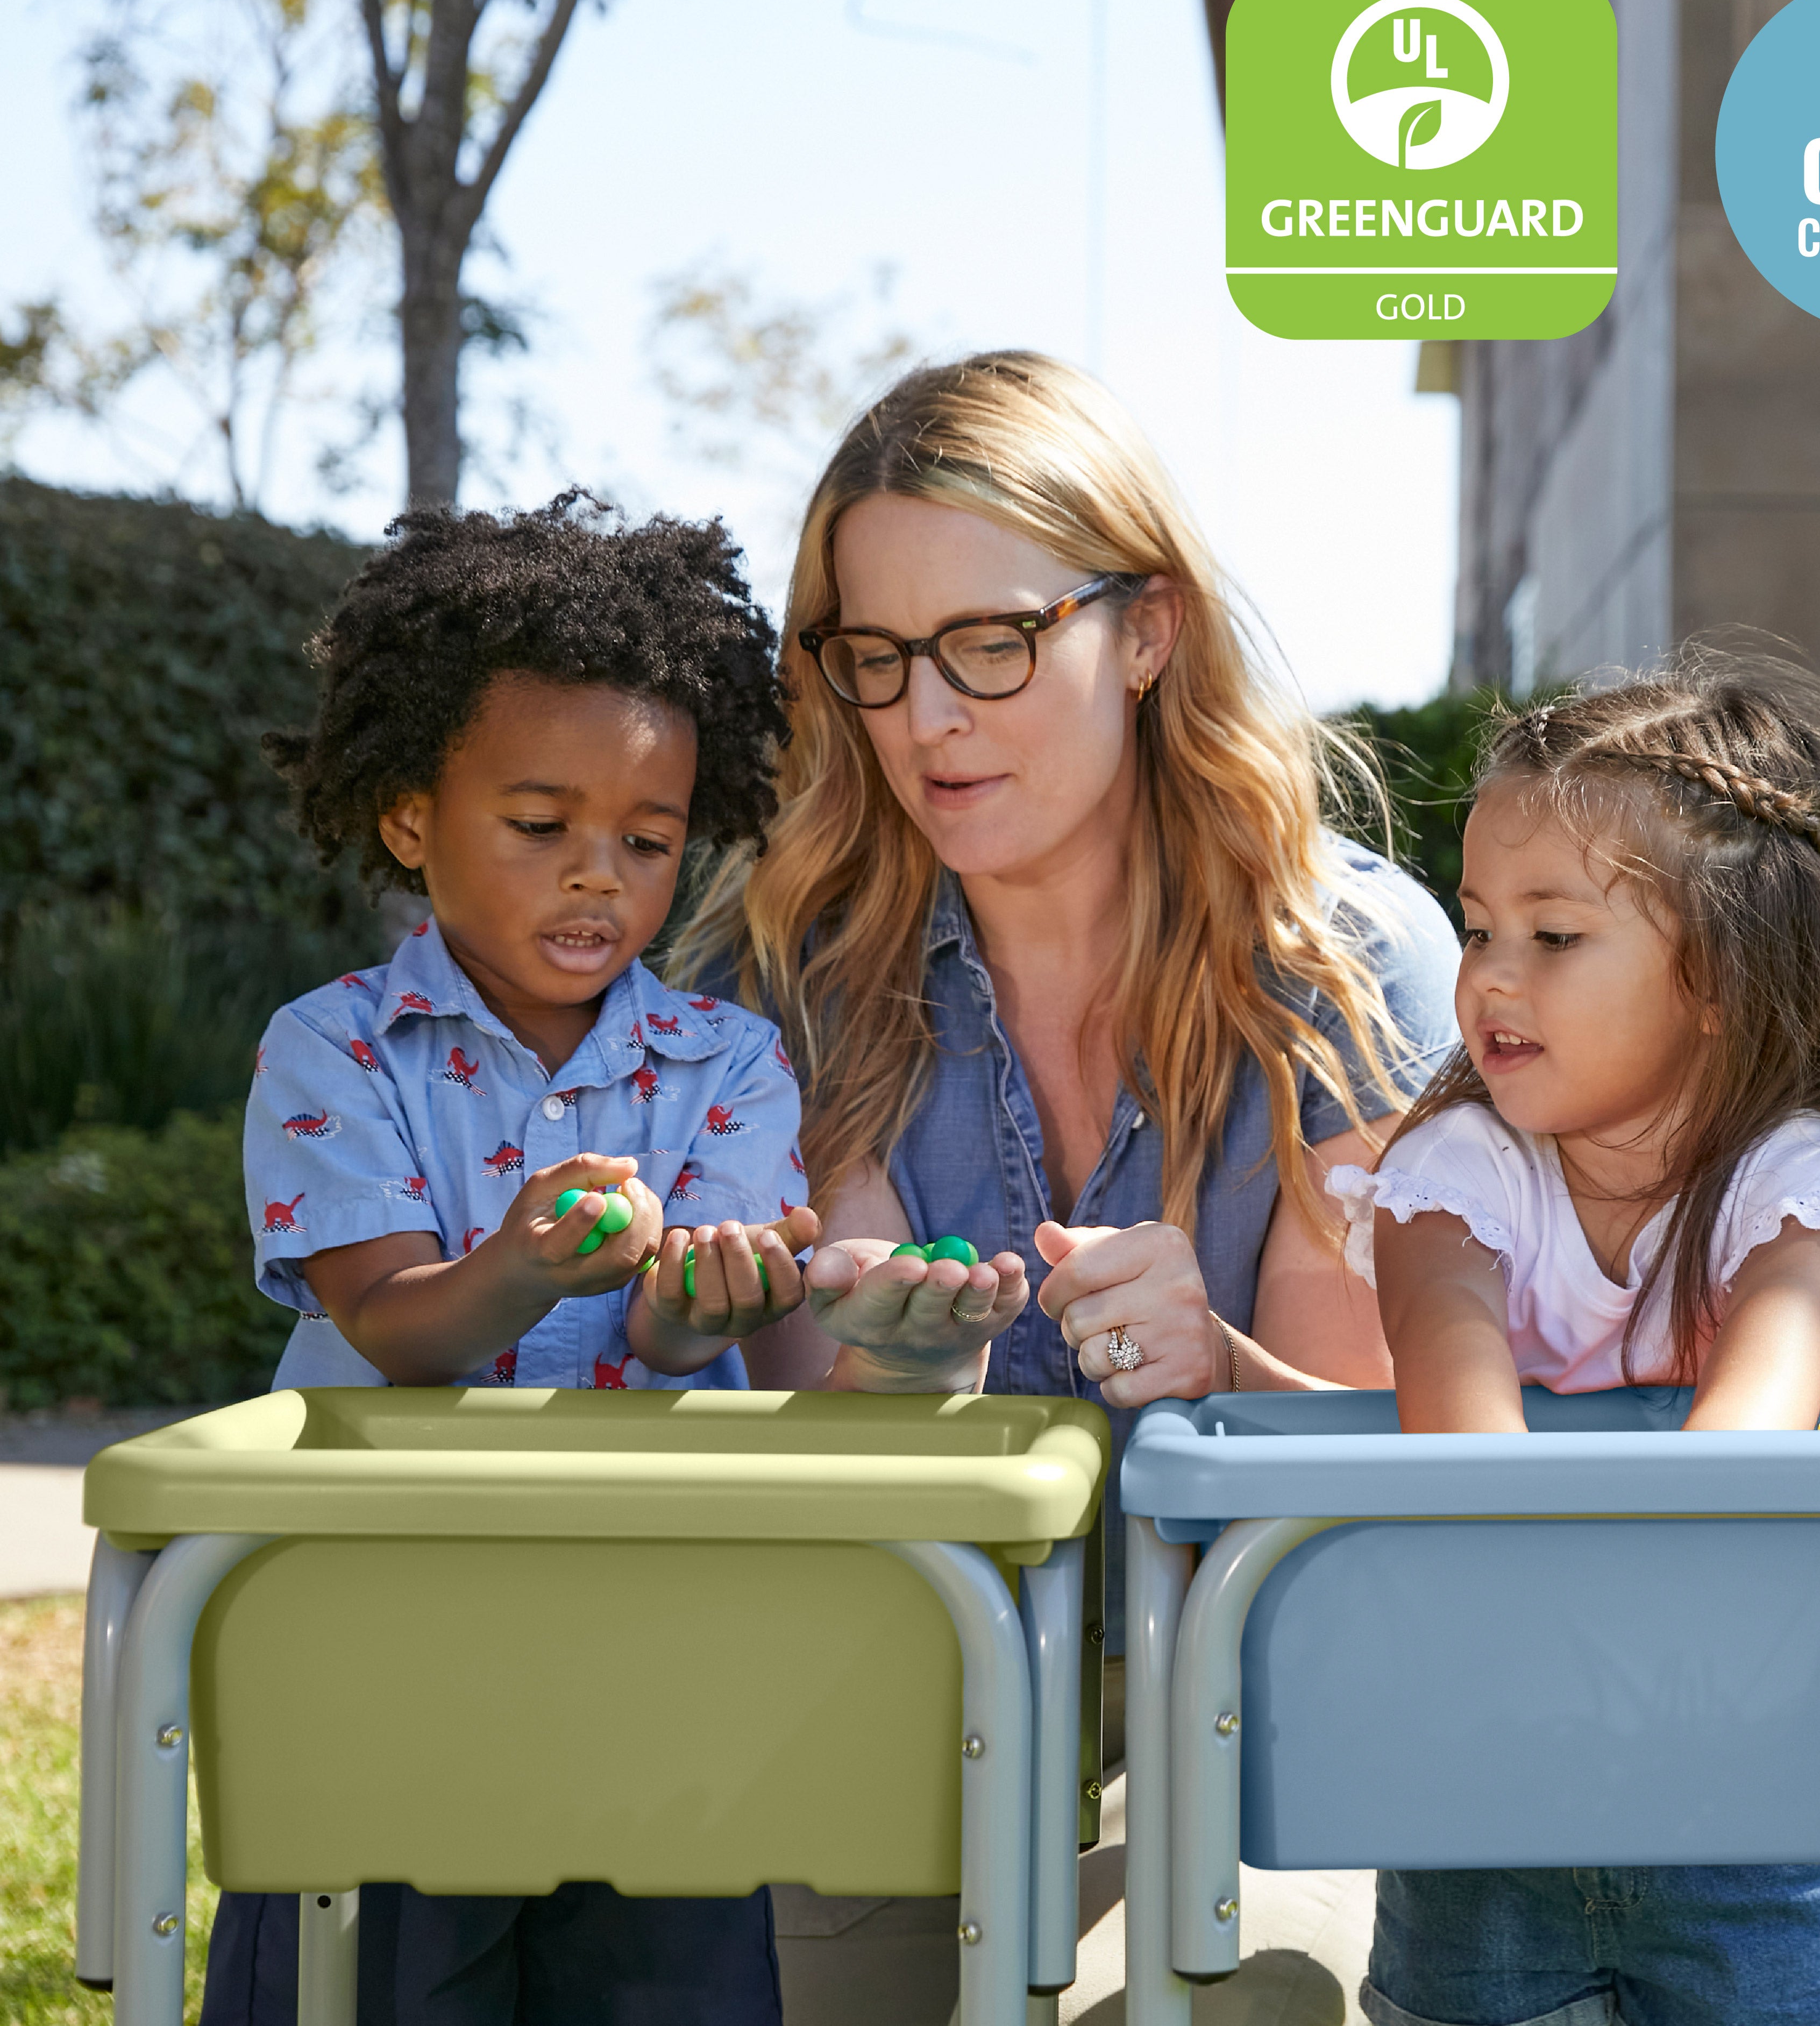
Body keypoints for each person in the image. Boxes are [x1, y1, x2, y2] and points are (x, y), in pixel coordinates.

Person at [669, 349, 1462, 2019]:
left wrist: (1221, 1369)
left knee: (1248, 2005)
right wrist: (892, 1375)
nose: (927, 720)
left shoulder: (1342, 954)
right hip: (903, 1677)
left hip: (1257, 1677)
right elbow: (845, 1499)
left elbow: (1373, 1458)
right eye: (875, 660)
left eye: (993, 643)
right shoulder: (801, 970)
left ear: (1149, 629)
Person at [205, 493, 810, 2026]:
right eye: (541, 827)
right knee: (379, 1987)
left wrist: (706, 1295)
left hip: (655, 1656)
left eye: (649, 839)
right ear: (414, 819)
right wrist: (529, 1262)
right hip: (389, 1653)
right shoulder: (335, 1050)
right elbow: (394, 1325)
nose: (598, 874)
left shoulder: (727, 1064)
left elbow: (682, 1340)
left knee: (664, 1991)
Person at [1332, 649, 1820, 2026]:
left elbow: (1744, 1437)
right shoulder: (1449, 1173)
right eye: (1477, 926)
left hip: (1754, 1812)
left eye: (1551, 936)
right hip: (1474, 1822)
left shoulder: (1804, 1187)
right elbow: (1461, 1430)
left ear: (1721, 979)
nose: (1489, 974)